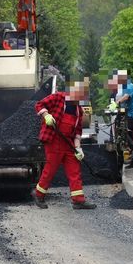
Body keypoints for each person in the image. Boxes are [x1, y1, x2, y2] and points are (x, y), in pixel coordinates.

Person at [31, 77, 97, 210]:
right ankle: (38, 195)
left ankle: (78, 200)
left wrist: (78, 148)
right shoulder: (58, 97)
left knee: (74, 170)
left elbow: (78, 130)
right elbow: (39, 104)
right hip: (54, 140)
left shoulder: (79, 110)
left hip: (69, 144)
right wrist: (46, 116)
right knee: (51, 169)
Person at [114, 70, 133, 168]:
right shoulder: (125, 87)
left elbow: (126, 97)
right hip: (131, 113)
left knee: (124, 134)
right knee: (129, 135)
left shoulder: (130, 86)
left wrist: (116, 103)